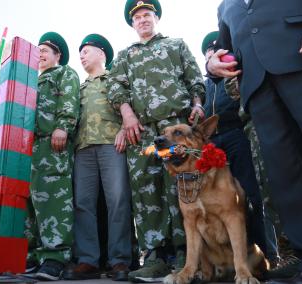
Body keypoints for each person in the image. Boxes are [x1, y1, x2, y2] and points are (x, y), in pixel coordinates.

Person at [207, 1, 302, 283]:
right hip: (259, 87)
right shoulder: (225, 6)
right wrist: (212, 65)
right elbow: (229, 48)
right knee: (289, 180)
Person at [107, 0, 205, 281]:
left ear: (156, 17)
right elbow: (116, 87)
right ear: (133, 23)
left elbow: (193, 77)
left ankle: (189, 254)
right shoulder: (126, 55)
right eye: (137, 17)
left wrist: (197, 104)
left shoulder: (176, 44)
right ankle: (156, 257)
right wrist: (127, 116)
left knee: (183, 187)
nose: (142, 19)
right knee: (146, 190)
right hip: (142, 131)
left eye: (147, 14)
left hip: (177, 125)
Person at [62, 34, 132, 281]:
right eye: (80, 53)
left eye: (86, 51)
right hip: (83, 149)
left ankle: (120, 260)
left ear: (101, 54)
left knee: (118, 201)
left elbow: (131, 105)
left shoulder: (116, 79)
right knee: (83, 204)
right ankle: (88, 260)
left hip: (112, 143)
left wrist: (124, 129)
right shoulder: (77, 88)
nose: (81, 56)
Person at [201, 31, 268, 257]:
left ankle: (267, 253)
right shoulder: (203, 86)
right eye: (208, 53)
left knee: (251, 193)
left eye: (215, 50)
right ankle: (229, 256)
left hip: (236, 134)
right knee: (217, 199)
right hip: (211, 143)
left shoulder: (235, 74)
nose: (212, 54)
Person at [25, 31, 80, 281]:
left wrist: (63, 126)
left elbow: (69, 100)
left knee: (54, 200)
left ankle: (55, 258)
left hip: (52, 142)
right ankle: (34, 255)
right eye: (37, 51)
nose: (40, 55)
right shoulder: (28, 81)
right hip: (28, 147)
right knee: (32, 202)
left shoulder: (64, 73)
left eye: (45, 51)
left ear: (57, 55)